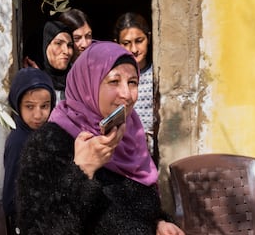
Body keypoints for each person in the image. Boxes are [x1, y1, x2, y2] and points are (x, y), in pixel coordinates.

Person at [15, 41, 184, 235]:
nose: (127, 94)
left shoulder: (131, 135)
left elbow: (140, 207)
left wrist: (160, 223)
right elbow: (38, 229)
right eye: (114, 81)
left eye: (132, 82)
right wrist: (82, 170)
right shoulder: (49, 143)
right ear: (88, 84)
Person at [2, 67, 56, 234]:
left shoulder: (46, 134)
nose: (38, 115)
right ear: (18, 105)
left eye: (44, 106)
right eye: (30, 107)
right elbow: (10, 199)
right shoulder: (19, 141)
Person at [113, 12, 155, 156]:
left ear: (148, 38)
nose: (134, 49)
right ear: (116, 44)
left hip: (152, 153)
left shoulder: (157, 74)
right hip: (121, 151)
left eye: (139, 41)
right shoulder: (111, 77)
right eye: (126, 43)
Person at [23, 20, 74, 104]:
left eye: (69, 45)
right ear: (42, 47)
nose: (66, 51)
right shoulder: (25, 86)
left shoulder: (78, 83)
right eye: (58, 43)